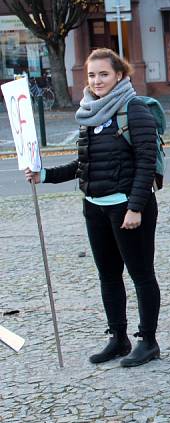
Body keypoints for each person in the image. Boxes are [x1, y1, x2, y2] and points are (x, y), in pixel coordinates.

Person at [24, 48, 162, 367]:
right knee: (108, 276)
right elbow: (85, 163)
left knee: (141, 275)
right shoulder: (90, 113)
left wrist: (136, 207)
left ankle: (148, 341)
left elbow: (146, 162)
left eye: (103, 74)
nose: (97, 80)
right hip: (95, 208)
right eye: (91, 74)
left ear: (120, 75)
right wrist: (45, 175)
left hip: (128, 208)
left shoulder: (135, 109)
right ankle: (118, 338)